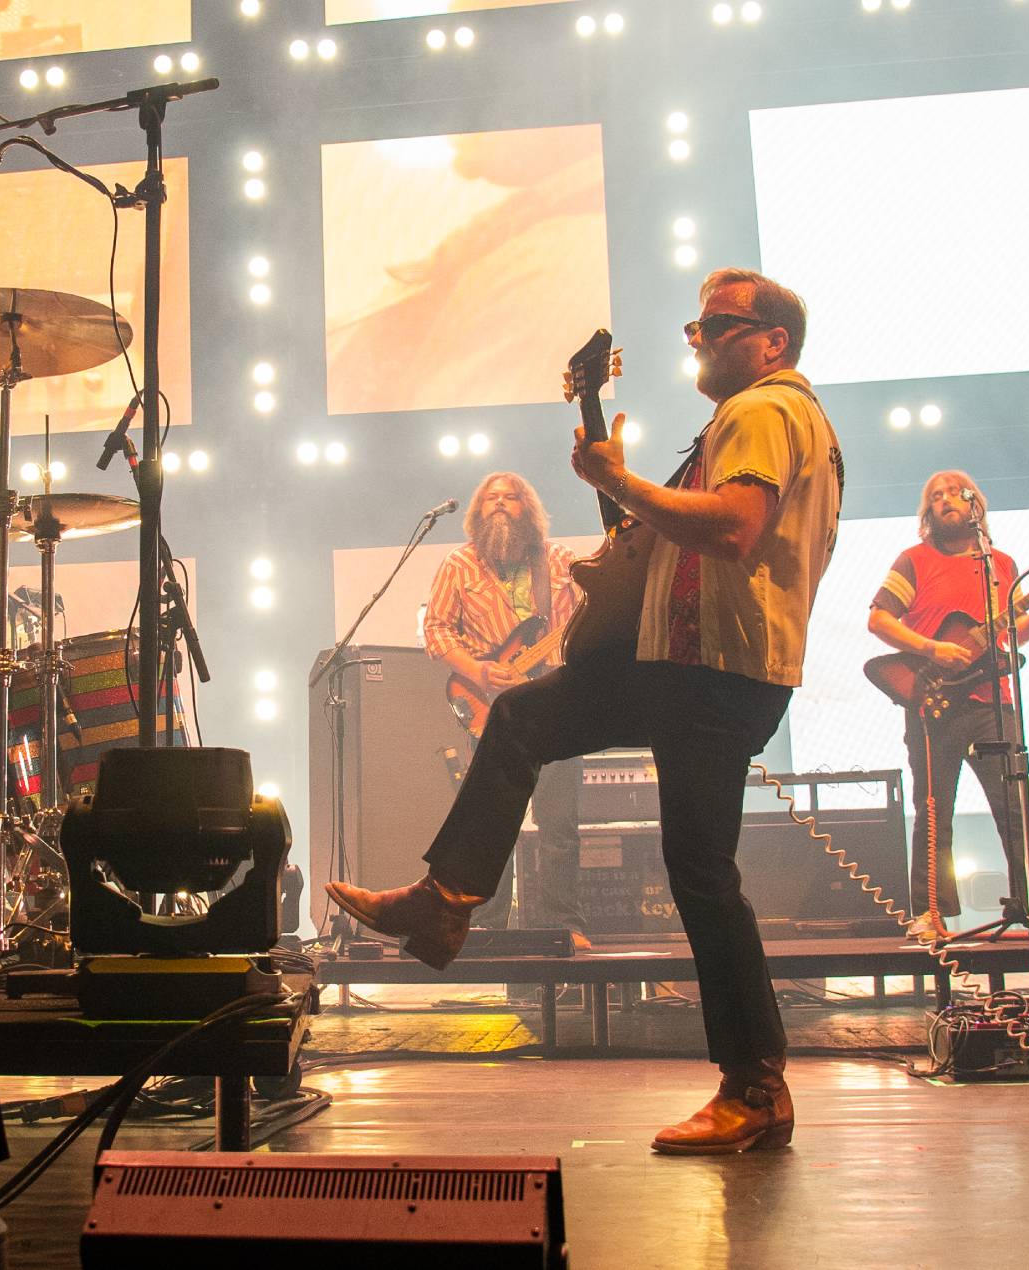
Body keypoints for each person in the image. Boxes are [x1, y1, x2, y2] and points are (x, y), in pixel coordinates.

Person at [329, 268, 844, 1155]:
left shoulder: (764, 409)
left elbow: (733, 528)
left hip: (712, 667)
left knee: (701, 873)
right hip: (689, 663)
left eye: (719, 324)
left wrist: (623, 481)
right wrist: (619, 488)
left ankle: (756, 1085)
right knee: (524, 720)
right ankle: (445, 900)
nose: (699, 338)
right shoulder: (767, 416)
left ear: (774, 343)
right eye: (695, 326)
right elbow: (667, 544)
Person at [866, 471, 1029, 940]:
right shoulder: (914, 560)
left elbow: (1012, 634)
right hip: (934, 702)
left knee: (1017, 809)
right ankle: (930, 914)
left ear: (975, 505)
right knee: (934, 811)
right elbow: (879, 619)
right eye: (936, 496)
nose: (946, 500)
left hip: (993, 703)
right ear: (927, 512)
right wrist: (932, 649)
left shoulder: (1001, 564)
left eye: (955, 493)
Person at [422, 472, 589, 948]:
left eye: (510, 498)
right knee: (492, 822)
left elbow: (589, 620)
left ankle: (563, 925)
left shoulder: (560, 561)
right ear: (478, 511)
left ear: (527, 509)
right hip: (492, 707)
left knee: (559, 825)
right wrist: (477, 671)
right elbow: (436, 630)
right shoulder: (459, 564)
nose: (499, 504)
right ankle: (484, 926)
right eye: (491, 498)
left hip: (557, 704)